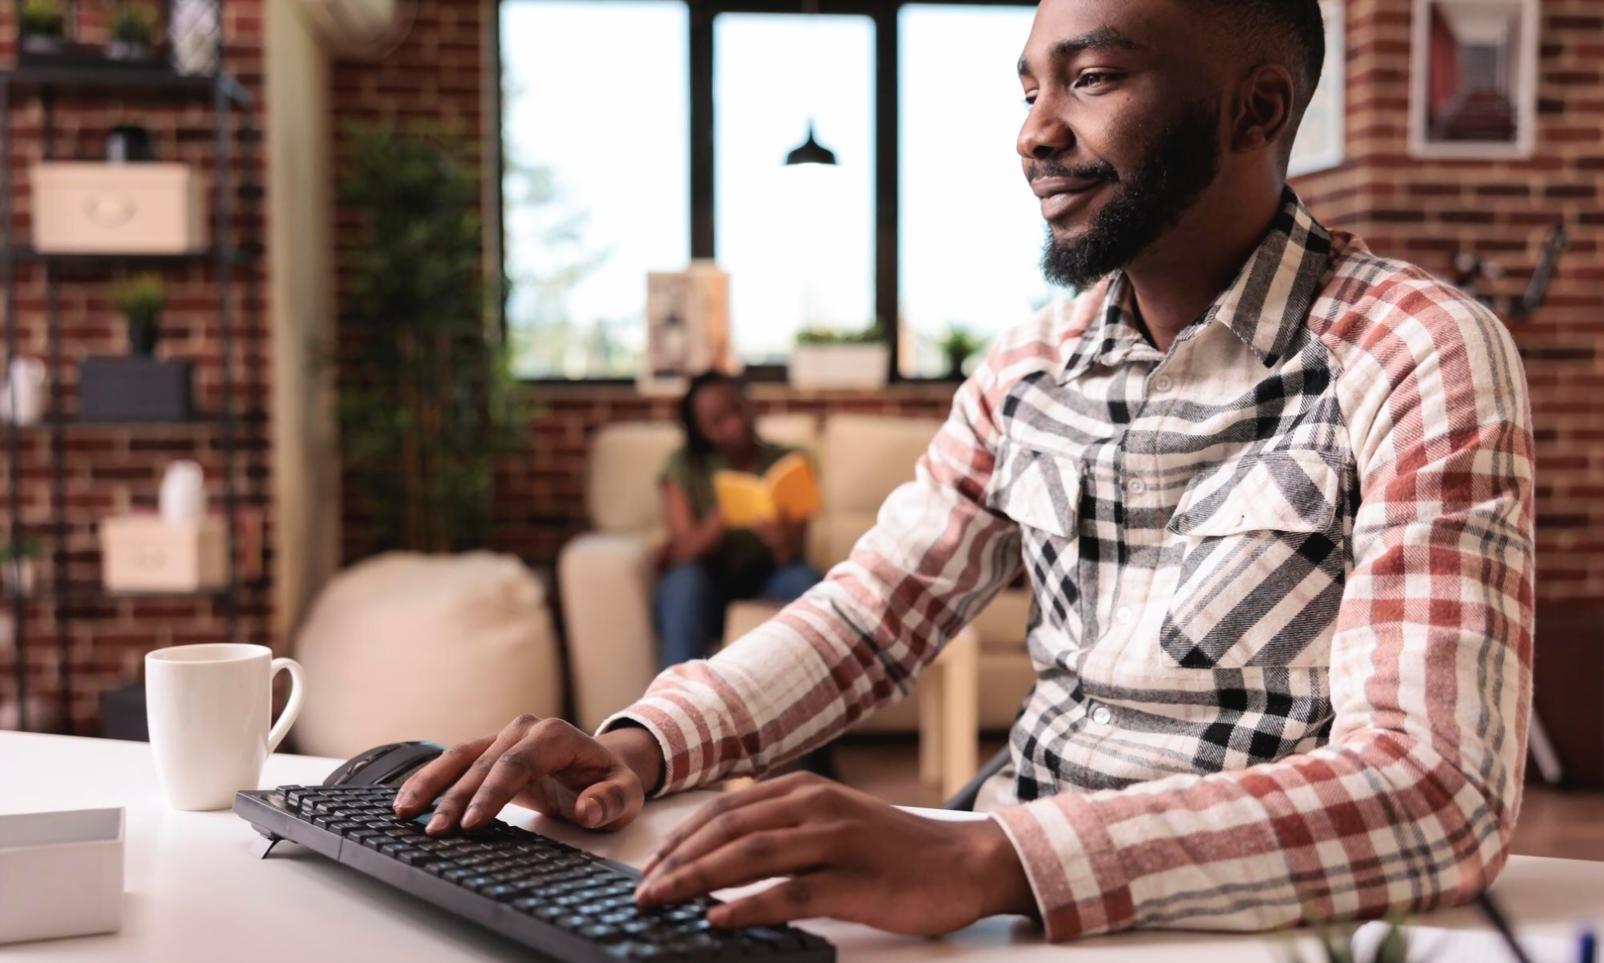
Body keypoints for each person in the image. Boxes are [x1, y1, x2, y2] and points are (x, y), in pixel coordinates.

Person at [396, 0, 1533, 943]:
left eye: (1089, 79)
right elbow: (865, 618)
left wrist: (993, 857)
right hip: (1006, 887)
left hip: (1236, 924)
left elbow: (1436, 792)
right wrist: (636, 749)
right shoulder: (1025, 369)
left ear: (1257, 107)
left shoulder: (1414, 350)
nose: (1034, 132)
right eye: (1026, 88)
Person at [653, 371, 823, 669]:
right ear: (700, 430)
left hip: (768, 575)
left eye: (737, 409)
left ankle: (826, 700)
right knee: (684, 583)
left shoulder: (789, 460)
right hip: (707, 579)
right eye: (718, 421)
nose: (735, 424)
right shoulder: (683, 465)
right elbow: (683, 550)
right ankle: (675, 707)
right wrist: (724, 515)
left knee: (808, 581)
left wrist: (780, 538)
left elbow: (796, 551)